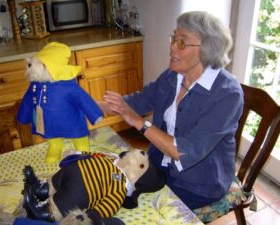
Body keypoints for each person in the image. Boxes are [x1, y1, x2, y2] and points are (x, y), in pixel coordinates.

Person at [98, 11, 244, 210]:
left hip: (199, 183)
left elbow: (184, 152)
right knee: (106, 184)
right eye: (173, 38)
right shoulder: (173, 76)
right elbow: (135, 103)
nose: (172, 46)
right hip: (159, 163)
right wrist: (82, 104)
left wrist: (139, 123)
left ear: (207, 49)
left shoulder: (227, 95)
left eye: (182, 42)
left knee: (133, 208)